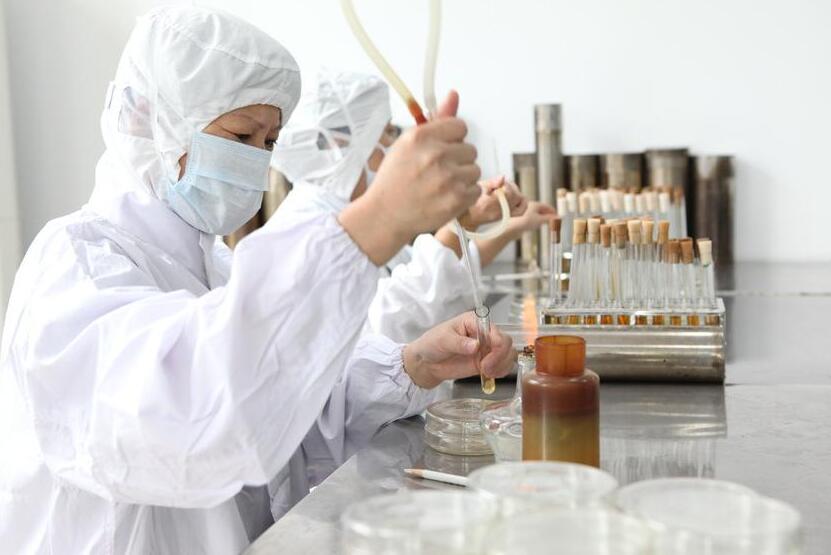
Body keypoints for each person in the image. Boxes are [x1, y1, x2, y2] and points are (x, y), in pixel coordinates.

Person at [0, 7, 514, 554]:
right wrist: (376, 222)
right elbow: (196, 420)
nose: (256, 160)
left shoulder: (215, 266)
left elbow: (288, 420)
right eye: (242, 134)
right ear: (152, 121)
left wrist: (411, 365)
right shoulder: (76, 263)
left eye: (269, 141)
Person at [273, 70, 556, 343]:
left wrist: (503, 225)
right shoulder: (308, 232)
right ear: (339, 144)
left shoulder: (343, 211)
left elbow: (440, 275)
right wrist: (463, 221)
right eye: (387, 133)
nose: (395, 146)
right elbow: (388, 325)